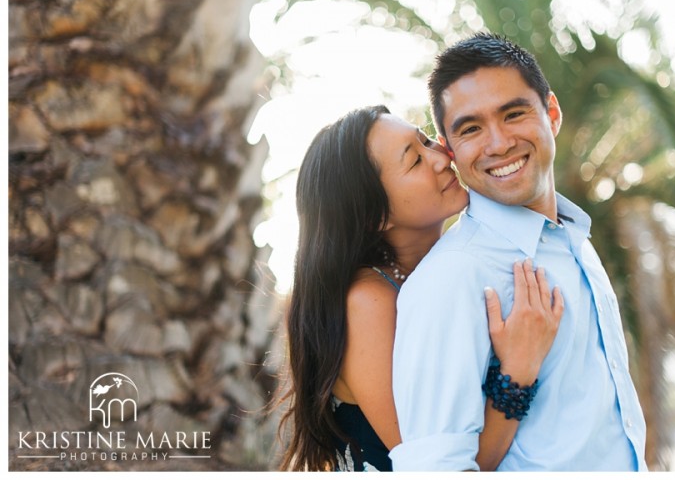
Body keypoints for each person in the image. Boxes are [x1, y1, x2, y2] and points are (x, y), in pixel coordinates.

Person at [390, 33, 647, 471]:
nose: (499, 143)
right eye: (471, 128)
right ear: (449, 148)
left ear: (552, 113)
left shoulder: (575, 242)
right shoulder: (451, 278)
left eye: (513, 114)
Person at [277, 105, 564, 471]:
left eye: (427, 139)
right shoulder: (368, 302)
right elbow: (441, 465)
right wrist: (520, 367)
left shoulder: (451, 269)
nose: (442, 158)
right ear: (374, 215)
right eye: (415, 161)